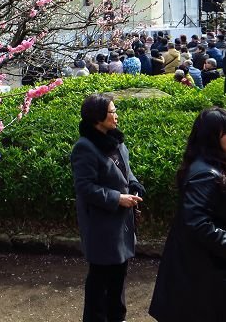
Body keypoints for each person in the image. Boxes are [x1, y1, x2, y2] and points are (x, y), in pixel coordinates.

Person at [149, 108, 226, 322]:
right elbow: (198, 223)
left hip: (211, 265)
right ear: (212, 138)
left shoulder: (215, 165)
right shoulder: (205, 174)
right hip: (207, 270)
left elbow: (211, 213)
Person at [71, 94, 145, 322]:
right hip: (101, 224)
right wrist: (116, 198)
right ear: (97, 117)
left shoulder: (115, 140)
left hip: (121, 221)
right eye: (112, 112)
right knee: (100, 282)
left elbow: (126, 171)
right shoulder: (85, 147)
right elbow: (85, 188)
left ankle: (117, 317)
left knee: (119, 277)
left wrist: (134, 186)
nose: (116, 116)